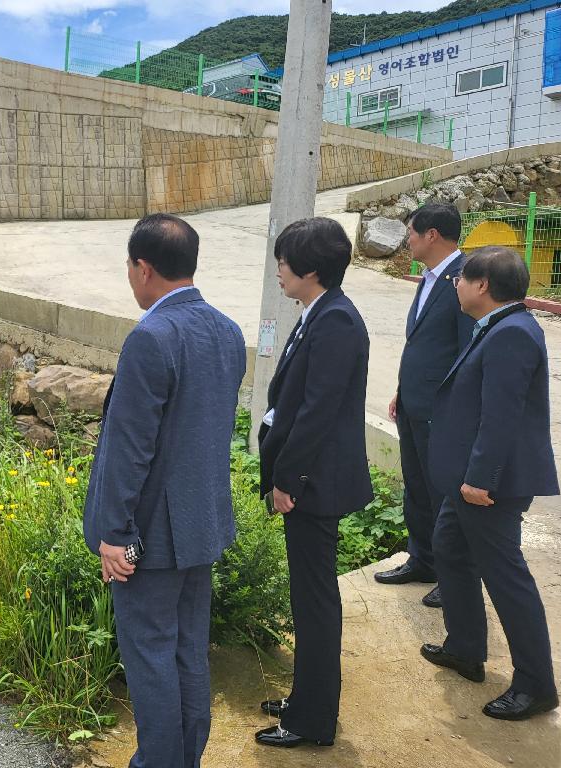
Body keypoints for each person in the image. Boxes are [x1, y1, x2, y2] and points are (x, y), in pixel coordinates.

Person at [83, 213, 246, 768]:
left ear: (143, 268)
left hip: (147, 536)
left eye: (130, 268)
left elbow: (130, 450)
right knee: (187, 654)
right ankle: (184, 759)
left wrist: (114, 534)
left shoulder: (151, 337)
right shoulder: (227, 331)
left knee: (151, 656)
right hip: (200, 526)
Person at [420, 246, 559, 721]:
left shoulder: (512, 333)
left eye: (460, 278)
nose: (454, 285)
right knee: (450, 549)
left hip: (488, 484)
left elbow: (503, 416)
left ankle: (536, 684)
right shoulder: (498, 327)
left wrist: (479, 478)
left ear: (481, 285)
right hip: (468, 480)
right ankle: (464, 646)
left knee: (506, 578)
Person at [256, 217, 373, 749]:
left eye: (283, 263)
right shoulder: (317, 312)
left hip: (312, 483)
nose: (277, 271)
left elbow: (317, 413)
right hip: (306, 479)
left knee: (316, 603)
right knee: (308, 599)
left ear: (308, 270)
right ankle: (307, 697)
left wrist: (287, 479)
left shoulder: (337, 323)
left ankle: (311, 720)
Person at [376, 203, 475, 609]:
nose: (408, 240)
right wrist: (403, 387)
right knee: (416, 487)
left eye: (412, 232)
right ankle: (423, 560)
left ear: (432, 235)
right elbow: (422, 342)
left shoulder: (467, 278)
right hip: (415, 402)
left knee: (442, 495)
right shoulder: (430, 278)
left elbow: (468, 350)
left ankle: (451, 576)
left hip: (442, 410)